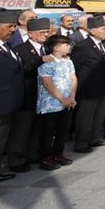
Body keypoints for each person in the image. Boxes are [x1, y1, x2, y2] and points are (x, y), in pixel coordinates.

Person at [7, 17, 51, 172]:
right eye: (42, 32)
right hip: (27, 95)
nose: (46, 35)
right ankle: (16, 160)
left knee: (36, 128)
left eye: (47, 32)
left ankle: (33, 154)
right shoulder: (20, 49)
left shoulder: (46, 48)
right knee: (21, 130)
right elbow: (22, 69)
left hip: (42, 97)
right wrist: (40, 60)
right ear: (31, 34)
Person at [70, 15, 105, 153]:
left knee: (98, 116)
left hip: (102, 88)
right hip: (88, 89)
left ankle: (94, 138)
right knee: (85, 118)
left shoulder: (103, 44)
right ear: (93, 31)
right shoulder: (83, 46)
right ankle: (81, 142)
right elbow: (76, 68)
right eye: (103, 28)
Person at [35, 34, 76, 171]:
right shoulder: (47, 62)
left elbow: (73, 79)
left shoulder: (68, 61)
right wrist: (63, 99)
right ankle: (46, 158)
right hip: (50, 104)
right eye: (65, 45)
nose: (68, 47)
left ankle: (58, 154)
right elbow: (47, 84)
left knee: (63, 130)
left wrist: (71, 97)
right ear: (56, 47)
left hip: (67, 102)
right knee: (48, 132)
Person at [0, 9, 23, 190]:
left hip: (7, 103)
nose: (13, 29)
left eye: (14, 26)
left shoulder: (6, 45)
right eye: (9, 26)